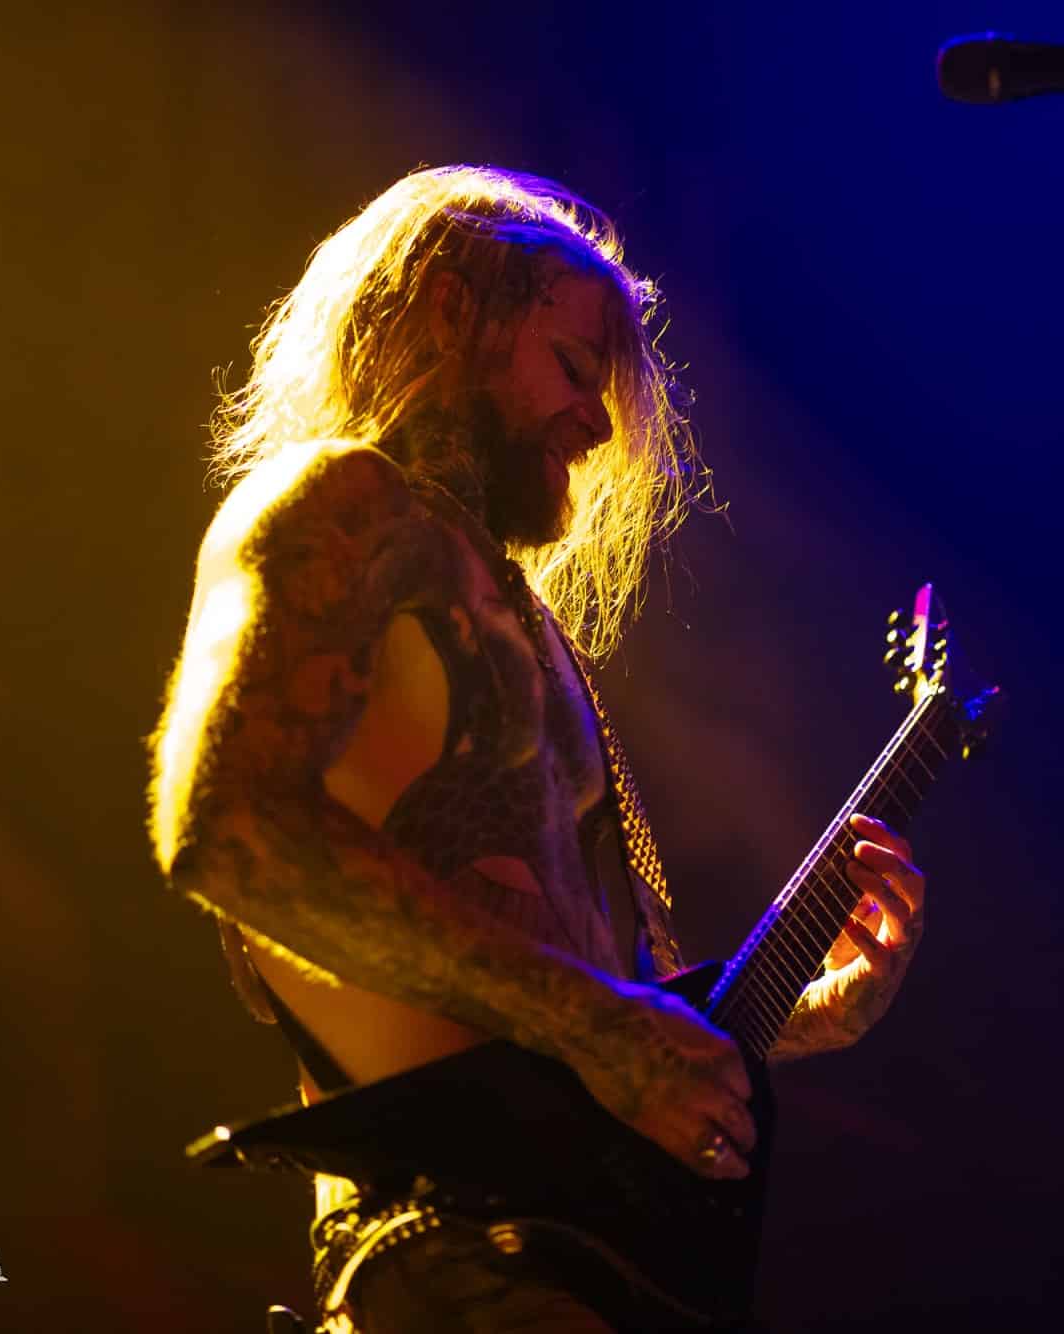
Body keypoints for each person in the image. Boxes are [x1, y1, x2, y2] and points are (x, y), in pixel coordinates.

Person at [146, 165, 928, 1332]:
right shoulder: (342, 506)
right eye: (570, 365)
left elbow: (580, 1024)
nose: (599, 423)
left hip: (589, 1266)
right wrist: (599, 1024)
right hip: (445, 1247)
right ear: (450, 307)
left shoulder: (537, 635)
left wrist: (795, 1016)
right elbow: (231, 828)